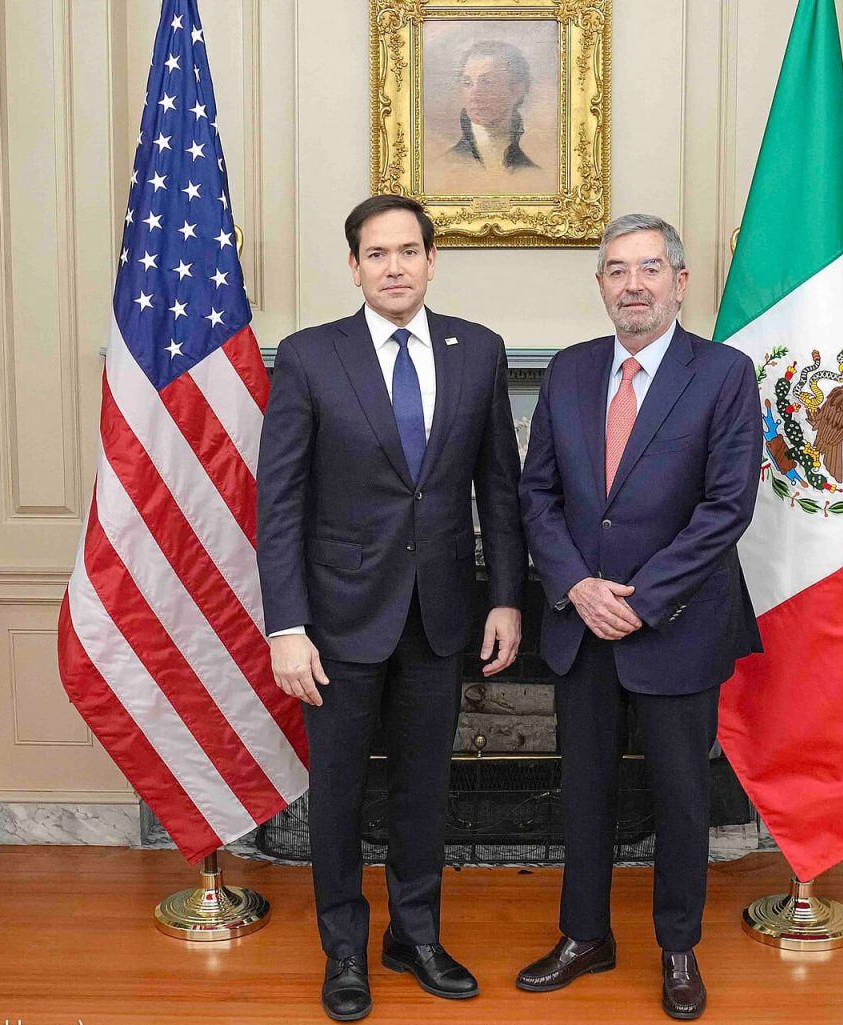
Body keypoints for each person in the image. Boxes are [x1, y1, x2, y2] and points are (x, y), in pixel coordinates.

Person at [256, 195, 526, 1022]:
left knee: (424, 790)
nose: (395, 267)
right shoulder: (310, 356)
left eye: (409, 251)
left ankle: (415, 936)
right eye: (377, 254)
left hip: (440, 615)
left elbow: (499, 489)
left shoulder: (479, 351)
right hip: (336, 622)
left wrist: (506, 598)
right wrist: (286, 626)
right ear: (354, 267)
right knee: (339, 793)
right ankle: (344, 948)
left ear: (433, 260)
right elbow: (280, 502)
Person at [516, 214, 763, 1020]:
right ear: (601, 285)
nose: (633, 285)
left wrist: (643, 600)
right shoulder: (569, 370)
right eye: (617, 270)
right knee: (583, 791)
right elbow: (537, 494)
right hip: (580, 624)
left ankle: (678, 946)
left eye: (650, 268)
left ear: (680, 282)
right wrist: (577, 587)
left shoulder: (724, 374)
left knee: (681, 797)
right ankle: (585, 935)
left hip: (677, 625)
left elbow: (726, 507)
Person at [447, 40, 539, 174]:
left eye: (487, 82)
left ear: (516, 91)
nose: (474, 94)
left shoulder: (532, 173)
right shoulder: (445, 165)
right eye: (467, 83)